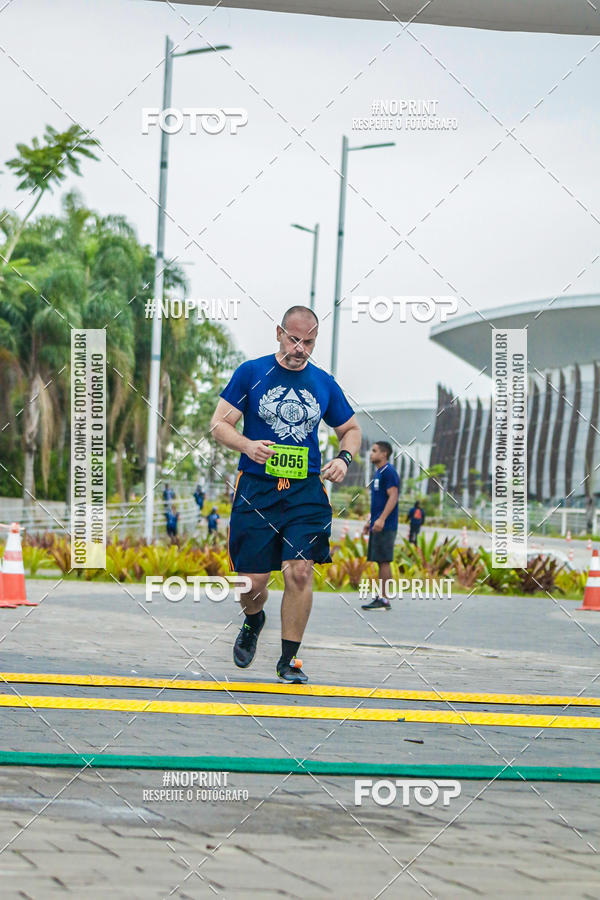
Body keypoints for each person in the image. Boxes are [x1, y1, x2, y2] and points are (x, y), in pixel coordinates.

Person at [210, 305, 361, 684]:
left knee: (299, 571)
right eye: (294, 339)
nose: (301, 348)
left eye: (309, 342)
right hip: (257, 489)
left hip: (305, 491)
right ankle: (253, 619)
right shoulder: (252, 373)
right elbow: (219, 425)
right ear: (279, 333)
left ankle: (289, 660)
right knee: (253, 583)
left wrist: (344, 458)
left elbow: (351, 429)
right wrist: (247, 445)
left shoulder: (323, 382)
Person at [361, 442, 399, 611]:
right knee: (380, 560)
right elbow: (379, 502)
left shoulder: (389, 472)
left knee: (384, 560)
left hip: (386, 525)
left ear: (384, 454)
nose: (371, 453)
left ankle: (384, 599)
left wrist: (382, 519)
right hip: (378, 524)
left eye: (374, 451)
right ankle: (381, 596)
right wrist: (370, 522)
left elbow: (393, 497)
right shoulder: (379, 473)